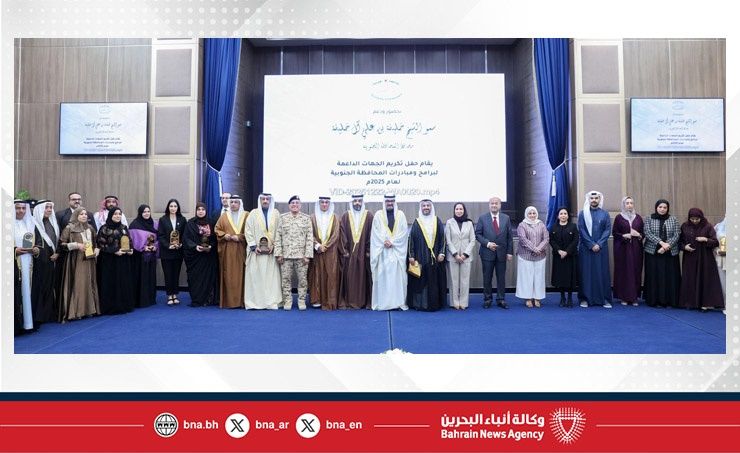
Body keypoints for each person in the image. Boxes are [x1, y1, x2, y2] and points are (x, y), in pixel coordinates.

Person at [58, 207, 100, 321]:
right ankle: (77, 312)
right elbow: (61, 244)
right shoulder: (69, 228)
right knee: (78, 284)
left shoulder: (90, 228)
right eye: (81, 214)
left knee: (89, 283)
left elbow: (96, 242)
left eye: (85, 214)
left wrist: (97, 250)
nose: (84, 216)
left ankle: (89, 310)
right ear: (76, 215)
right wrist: (76, 245)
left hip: (90, 260)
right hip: (76, 260)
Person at [678, 208, 724, 311]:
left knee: (705, 278)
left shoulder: (707, 226)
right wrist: (684, 247)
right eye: (692, 219)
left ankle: (705, 303)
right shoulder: (685, 226)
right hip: (690, 257)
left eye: (697, 219)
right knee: (690, 279)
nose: (694, 221)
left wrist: (705, 239)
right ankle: (690, 302)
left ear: (701, 218)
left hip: (705, 257)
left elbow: (715, 242)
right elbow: (679, 241)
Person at [370, 194, 409, 311]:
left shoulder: (401, 215)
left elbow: (404, 233)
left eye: (392, 201)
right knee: (383, 279)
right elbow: (375, 233)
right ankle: (383, 303)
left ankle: (397, 303)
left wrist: (392, 242)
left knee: (396, 280)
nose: (390, 203)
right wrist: (384, 241)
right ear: (384, 202)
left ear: (395, 202)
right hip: (382, 253)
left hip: (396, 252)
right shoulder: (378, 215)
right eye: (387, 201)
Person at [275, 195, 314, 310]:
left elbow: (309, 238)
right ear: (289, 205)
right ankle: (287, 301)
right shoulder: (283, 218)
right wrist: (279, 254)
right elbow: (278, 236)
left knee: (302, 280)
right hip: (286, 256)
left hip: (301, 256)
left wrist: (308, 255)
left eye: (297, 203)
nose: (295, 205)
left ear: (300, 205)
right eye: (292, 203)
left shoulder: (306, 219)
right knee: (285, 280)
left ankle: (301, 301)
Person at [244, 193, 282, 310]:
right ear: (259, 200)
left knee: (271, 279)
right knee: (256, 278)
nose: (265, 201)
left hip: (271, 253)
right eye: (263, 199)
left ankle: (272, 302)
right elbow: (248, 230)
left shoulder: (276, 214)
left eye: (267, 199)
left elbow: (280, 231)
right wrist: (254, 247)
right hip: (257, 253)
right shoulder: (253, 213)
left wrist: (275, 245)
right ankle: (256, 302)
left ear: (270, 201)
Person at [407, 199, 447, 311]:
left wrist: (442, 253)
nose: (426, 208)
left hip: (435, 258)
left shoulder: (437, 221)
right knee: (420, 282)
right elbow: (411, 240)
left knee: (433, 282)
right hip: (420, 258)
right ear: (421, 208)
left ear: (431, 207)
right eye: (424, 206)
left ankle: (433, 305)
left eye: (428, 206)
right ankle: (421, 305)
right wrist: (411, 255)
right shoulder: (417, 222)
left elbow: (443, 238)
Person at [475, 196, 513, 309]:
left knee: (501, 278)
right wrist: (487, 244)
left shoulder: (506, 218)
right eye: (492, 203)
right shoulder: (482, 218)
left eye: (496, 203)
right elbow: (478, 234)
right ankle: (487, 299)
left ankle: (501, 299)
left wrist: (509, 252)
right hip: (487, 253)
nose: (494, 205)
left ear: (500, 205)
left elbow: (509, 237)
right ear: (489, 205)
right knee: (487, 278)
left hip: (502, 253)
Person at [96, 207, 136, 315]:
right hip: (110, 261)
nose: (118, 216)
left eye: (119, 214)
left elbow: (129, 241)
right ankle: (111, 307)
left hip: (123, 260)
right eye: (115, 214)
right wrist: (114, 251)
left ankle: (124, 305)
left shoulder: (123, 227)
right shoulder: (104, 228)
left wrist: (131, 249)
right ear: (110, 215)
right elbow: (100, 244)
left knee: (123, 282)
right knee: (111, 283)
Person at [577, 191, 613, 308]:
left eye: (596, 198)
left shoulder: (605, 214)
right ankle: (585, 299)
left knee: (602, 274)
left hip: (601, 249)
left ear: (599, 199)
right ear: (588, 200)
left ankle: (604, 299)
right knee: (586, 274)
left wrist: (599, 244)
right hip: (586, 249)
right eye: (592, 198)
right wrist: (591, 244)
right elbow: (581, 230)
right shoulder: (582, 214)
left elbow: (607, 230)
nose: (594, 200)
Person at [338, 194, 374, 309]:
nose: (357, 203)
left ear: (362, 202)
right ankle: (350, 301)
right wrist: (344, 250)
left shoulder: (369, 216)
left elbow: (372, 234)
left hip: (364, 254)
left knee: (364, 277)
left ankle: (364, 302)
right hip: (349, 255)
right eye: (355, 201)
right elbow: (342, 234)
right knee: (350, 278)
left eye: (359, 201)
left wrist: (368, 250)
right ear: (352, 202)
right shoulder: (346, 216)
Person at [643, 199, 681, 308]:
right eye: (660, 207)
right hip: (652, 252)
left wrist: (666, 246)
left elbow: (677, 234)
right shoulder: (649, 218)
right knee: (654, 276)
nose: (662, 209)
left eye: (665, 207)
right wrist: (661, 243)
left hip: (670, 252)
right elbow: (647, 233)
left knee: (669, 277)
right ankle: (654, 300)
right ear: (656, 208)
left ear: (668, 208)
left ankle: (669, 301)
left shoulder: (673, 219)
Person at [215, 195, 248, 308]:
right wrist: (224, 235)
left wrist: (240, 237)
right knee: (228, 275)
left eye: (236, 202)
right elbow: (217, 229)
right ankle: (229, 302)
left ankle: (241, 301)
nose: (233, 204)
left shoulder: (246, 215)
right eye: (232, 202)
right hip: (228, 250)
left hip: (241, 250)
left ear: (240, 204)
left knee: (241, 275)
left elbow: (251, 231)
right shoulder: (224, 216)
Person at [31, 199, 61, 324]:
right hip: (39, 261)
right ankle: (40, 315)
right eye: (46, 207)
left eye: (50, 207)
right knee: (40, 287)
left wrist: (57, 253)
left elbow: (59, 240)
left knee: (50, 286)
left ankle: (49, 313)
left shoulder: (53, 223)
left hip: (53, 259)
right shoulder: (32, 224)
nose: (49, 210)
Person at [183, 202, 217, 307]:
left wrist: (211, 246)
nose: (201, 211)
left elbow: (215, 238)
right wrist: (195, 247)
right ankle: (197, 299)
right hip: (195, 256)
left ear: (206, 211)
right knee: (195, 278)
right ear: (196, 211)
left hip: (208, 257)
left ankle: (207, 299)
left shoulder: (211, 222)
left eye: (203, 209)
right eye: (199, 209)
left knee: (208, 278)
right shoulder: (190, 223)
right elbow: (186, 238)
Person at [309, 197, 341, 310]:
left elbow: (336, 234)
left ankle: (330, 300)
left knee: (331, 275)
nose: (324, 204)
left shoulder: (335, 217)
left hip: (331, 251)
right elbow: (309, 234)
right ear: (319, 204)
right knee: (316, 274)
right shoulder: (312, 218)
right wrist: (317, 246)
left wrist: (325, 246)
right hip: (317, 250)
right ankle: (317, 299)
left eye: (326, 202)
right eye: (322, 202)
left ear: (329, 204)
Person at [612, 196, 644, 306]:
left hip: (636, 248)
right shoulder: (619, 218)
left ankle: (634, 297)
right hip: (623, 249)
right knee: (624, 271)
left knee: (635, 270)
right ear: (623, 205)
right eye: (627, 203)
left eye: (631, 203)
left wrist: (638, 235)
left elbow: (643, 234)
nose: (629, 205)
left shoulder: (638, 218)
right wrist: (623, 236)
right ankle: (624, 297)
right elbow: (614, 233)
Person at [14, 199, 40, 333]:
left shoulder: (30, 223)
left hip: (29, 263)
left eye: (23, 208)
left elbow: (38, 243)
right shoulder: (5, 225)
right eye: (18, 208)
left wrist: (35, 250)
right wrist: (15, 251)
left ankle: (29, 323)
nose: (21, 211)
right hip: (14, 265)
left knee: (29, 292)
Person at [515, 206, 549, 308]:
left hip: (540, 256)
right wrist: (535, 249)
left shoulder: (541, 224)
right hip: (525, 255)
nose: (532, 215)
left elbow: (546, 238)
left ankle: (537, 298)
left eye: (534, 213)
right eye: (530, 213)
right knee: (526, 278)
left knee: (539, 278)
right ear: (526, 214)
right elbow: (523, 239)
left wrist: (539, 249)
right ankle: (528, 298)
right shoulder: (522, 225)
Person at [444, 203, 475, 310]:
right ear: (454, 211)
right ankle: (454, 302)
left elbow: (472, 240)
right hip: (453, 256)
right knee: (453, 280)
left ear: (464, 210)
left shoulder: (469, 223)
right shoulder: (449, 222)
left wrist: (465, 254)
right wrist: (455, 254)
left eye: (461, 209)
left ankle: (463, 302)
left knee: (465, 280)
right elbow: (448, 240)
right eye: (457, 209)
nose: (459, 211)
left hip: (466, 257)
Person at [128, 204, 159, 308]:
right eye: (144, 212)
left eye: (148, 211)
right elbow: (131, 241)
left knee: (150, 276)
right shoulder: (134, 224)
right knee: (141, 277)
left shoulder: (154, 224)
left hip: (151, 256)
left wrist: (155, 246)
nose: (146, 214)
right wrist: (143, 247)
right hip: (139, 257)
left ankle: (150, 299)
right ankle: (140, 300)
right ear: (140, 213)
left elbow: (159, 238)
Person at [157, 198, 187, 306]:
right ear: (168, 207)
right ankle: (170, 295)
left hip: (178, 251)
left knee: (176, 274)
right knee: (168, 274)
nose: (173, 208)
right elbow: (160, 235)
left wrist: (181, 243)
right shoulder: (163, 219)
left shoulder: (182, 219)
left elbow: (185, 234)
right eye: (171, 206)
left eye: (175, 206)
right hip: (166, 252)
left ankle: (175, 294)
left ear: (178, 208)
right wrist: (168, 245)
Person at [549, 207, 578, 307]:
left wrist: (567, 252)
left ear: (568, 216)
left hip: (570, 256)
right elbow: (551, 240)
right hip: (558, 256)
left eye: (565, 213)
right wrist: (559, 251)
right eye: (561, 214)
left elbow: (575, 240)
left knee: (570, 278)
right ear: (558, 216)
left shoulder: (573, 226)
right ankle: (562, 298)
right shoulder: (553, 227)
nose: (563, 215)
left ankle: (569, 298)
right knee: (560, 278)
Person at [714, 217, 726, 298]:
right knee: (723, 281)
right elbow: (714, 243)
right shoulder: (718, 226)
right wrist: (718, 251)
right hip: (721, 259)